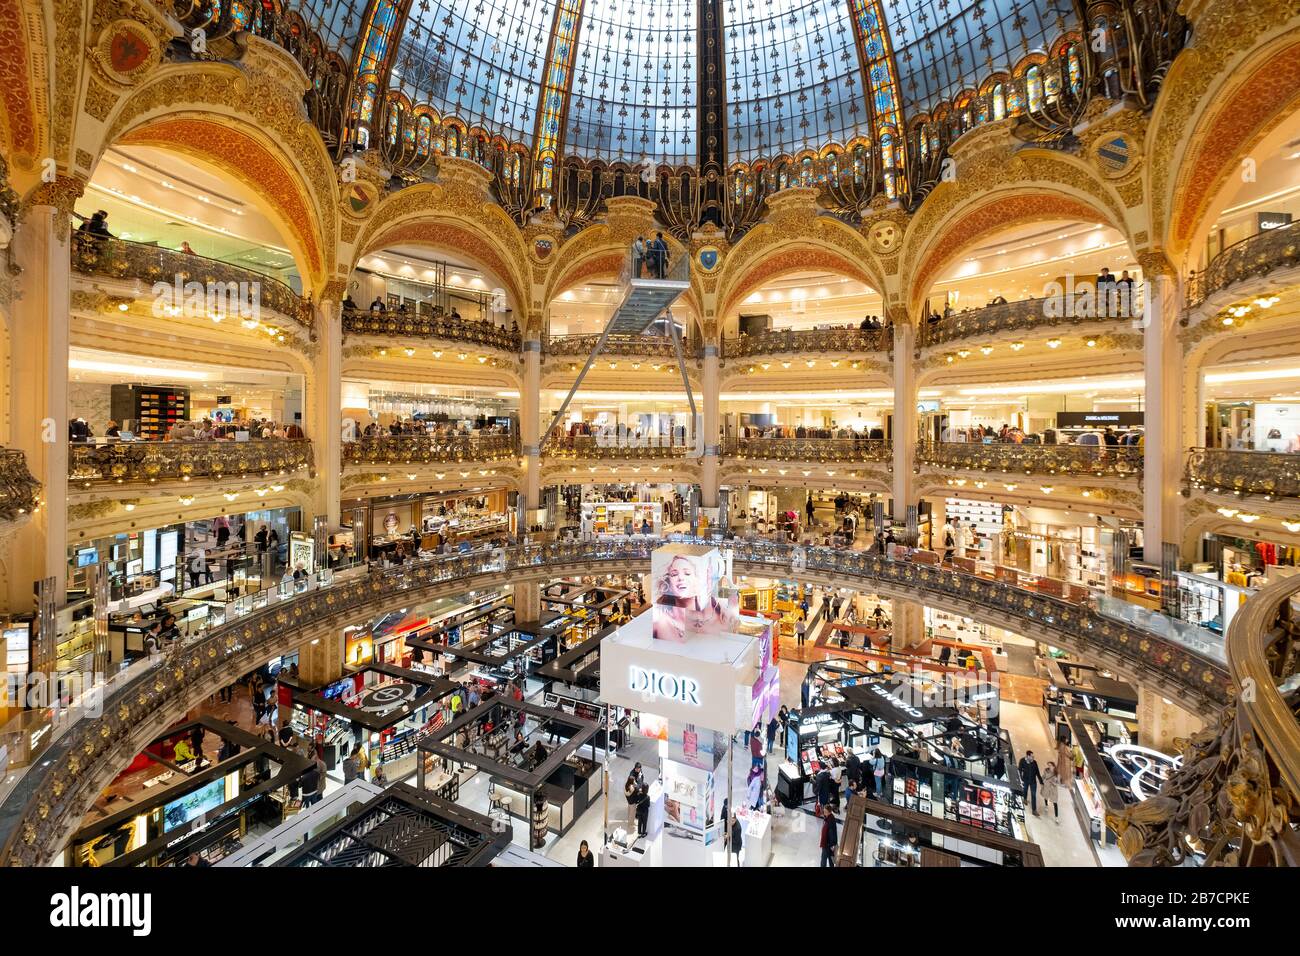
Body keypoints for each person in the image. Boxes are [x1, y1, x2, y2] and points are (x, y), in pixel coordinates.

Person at [1018, 750, 1044, 815]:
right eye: (1032, 756)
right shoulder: (1022, 761)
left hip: (1033, 781)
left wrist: (1041, 781)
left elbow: (1037, 772)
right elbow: (1019, 770)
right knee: (1025, 790)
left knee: (1033, 795)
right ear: (1028, 756)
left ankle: (1034, 810)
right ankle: (1025, 799)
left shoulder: (1034, 762)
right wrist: (1021, 779)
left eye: (1033, 756)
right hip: (1025, 780)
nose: (1033, 758)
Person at [625, 763, 643, 830]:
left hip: (631, 799)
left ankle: (629, 819)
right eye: (637, 769)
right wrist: (639, 779)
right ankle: (630, 824)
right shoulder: (632, 775)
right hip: (632, 798)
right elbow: (637, 788)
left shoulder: (627, 785)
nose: (638, 770)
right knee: (632, 812)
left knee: (630, 808)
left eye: (639, 769)